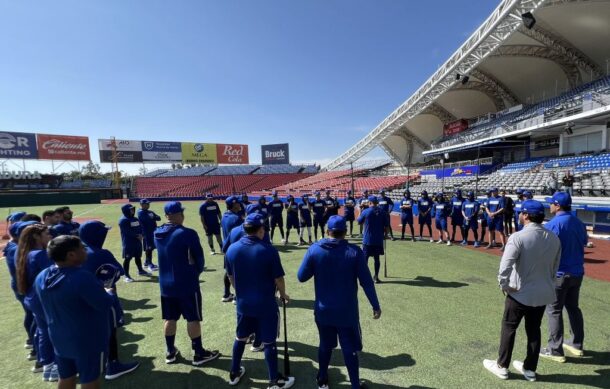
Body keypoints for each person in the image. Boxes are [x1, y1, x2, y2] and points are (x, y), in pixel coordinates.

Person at [297, 215, 381, 389]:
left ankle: (322, 379)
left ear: (327, 231)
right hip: (347, 312)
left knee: (325, 345)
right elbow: (366, 282)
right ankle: (355, 385)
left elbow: (301, 277)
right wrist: (375, 305)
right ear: (345, 232)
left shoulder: (315, 249)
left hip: (323, 310)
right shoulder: (354, 252)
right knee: (349, 348)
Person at [483, 200, 561, 382]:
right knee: (534, 330)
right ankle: (530, 369)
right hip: (542, 292)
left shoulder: (517, 237)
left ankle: (502, 366)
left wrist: (504, 285)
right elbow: (555, 266)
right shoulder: (554, 237)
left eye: (521, 213)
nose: (519, 215)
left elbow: (505, 267)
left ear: (525, 215)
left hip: (519, 292)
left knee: (509, 327)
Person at [225, 213, 294, 388]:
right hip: (265, 304)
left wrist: (238, 291)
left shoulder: (232, 249)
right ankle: (274, 381)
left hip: (243, 304)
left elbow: (230, 276)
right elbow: (278, 279)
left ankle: (234, 372)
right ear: (261, 229)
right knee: (269, 342)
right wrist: (283, 294)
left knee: (240, 337)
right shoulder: (268, 250)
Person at [36, 235, 114, 389]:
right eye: (82, 248)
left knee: (66, 376)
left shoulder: (42, 276)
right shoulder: (82, 277)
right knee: (90, 379)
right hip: (87, 340)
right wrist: (109, 291)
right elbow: (104, 304)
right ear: (71, 255)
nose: (85, 251)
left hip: (59, 337)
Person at [154, 201, 220, 366]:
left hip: (165, 285)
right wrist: (194, 273)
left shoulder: (157, 232)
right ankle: (198, 353)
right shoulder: (187, 233)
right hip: (186, 284)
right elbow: (199, 259)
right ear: (179, 215)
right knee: (193, 318)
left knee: (170, 318)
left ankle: (170, 351)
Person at [79, 221, 140, 380]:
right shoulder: (100, 253)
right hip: (101, 299)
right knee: (109, 331)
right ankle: (113, 365)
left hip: (78, 302)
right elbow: (117, 271)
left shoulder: (75, 250)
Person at [540, 192, 588, 362]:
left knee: (554, 310)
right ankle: (576, 344)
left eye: (551, 203)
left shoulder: (553, 224)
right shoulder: (579, 222)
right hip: (577, 273)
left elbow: (545, 250)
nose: (549, 206)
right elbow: (584, 242)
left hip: (560, 274)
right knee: (573, 308)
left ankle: (555, 350)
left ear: (558, 205)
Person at [16, 223, 58, 381]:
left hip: (32, 298)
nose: (50, 236)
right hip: (41, 299)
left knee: (43, 331)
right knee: (52, 331)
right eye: (47, 234)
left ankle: (47, 366)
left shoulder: (26, 253)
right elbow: (54, 273)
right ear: (36, 237)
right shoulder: (39, 255)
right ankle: (54, 367)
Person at [5, 221, 38, 362]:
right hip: (24, 287)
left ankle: (33, 344)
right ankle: (35, 347)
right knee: (33, 317)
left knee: (32, 316)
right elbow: (22, 271)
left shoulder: (17, 247)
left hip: (24, 286)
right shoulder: (16, 249)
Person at [357, 196, 388, 283]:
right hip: (378, 240)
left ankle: (365, 278)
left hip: (367, 240)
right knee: (377, 259)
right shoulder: (382, 211)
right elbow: (387, 226)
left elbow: (359, 221)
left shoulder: (366, 211)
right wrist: (385, 235)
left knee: (365, 259)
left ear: (370, 202)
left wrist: (360, 211)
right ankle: (376, 277)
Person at [221, 196, 244, 303]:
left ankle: (226, 294)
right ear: (234, 205)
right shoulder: (237, 218)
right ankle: (237, 296)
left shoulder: (225, 216)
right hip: (236, 249)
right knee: (238, 273)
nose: (240, 205)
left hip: (227, 248)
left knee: (228, 271)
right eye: (238, 203)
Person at [118, 203, 148, 282]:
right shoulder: (123, 220)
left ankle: (140, 270)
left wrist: (142, 234)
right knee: (128, 258)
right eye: (130, 209)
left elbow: (140, 227)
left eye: (132, 209)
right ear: (126, 211)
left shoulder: (135, 219)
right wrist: (137, 236)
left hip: (137, 242)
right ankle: (126, 275)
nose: (132, 211)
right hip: (128, 243)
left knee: (138, 257)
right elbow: (127, 231)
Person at [137, 199, 161, 271]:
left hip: (152, 232)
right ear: (141, 205)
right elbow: (146, 220)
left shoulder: (149, 212)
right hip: (146, 233)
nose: (148, 205)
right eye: (146, 204)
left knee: (150, 248)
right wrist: (153, 217)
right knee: (148, 248)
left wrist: (153, 217)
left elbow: (159, 218)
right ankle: (150, 265)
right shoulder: (140, 212)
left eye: (148, 204)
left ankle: (146, 262)